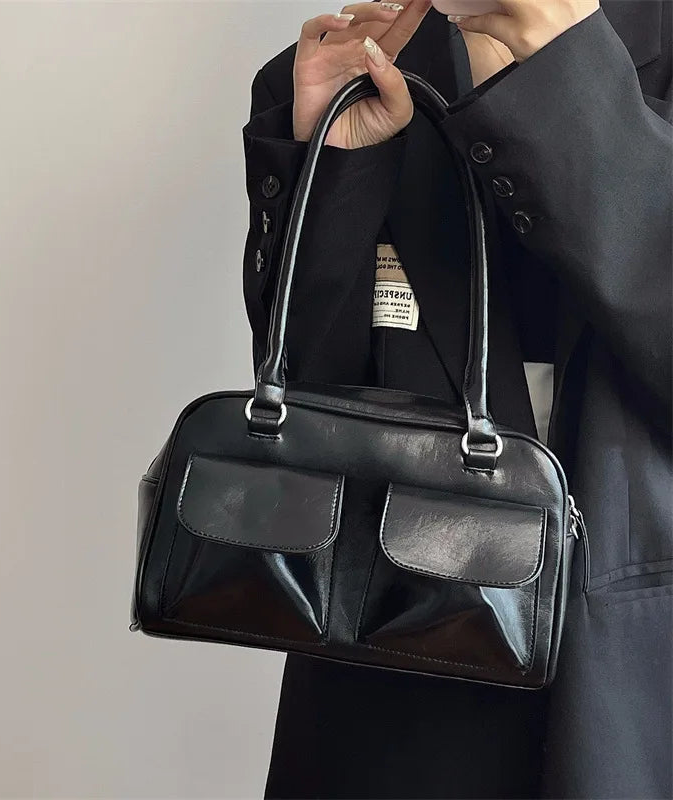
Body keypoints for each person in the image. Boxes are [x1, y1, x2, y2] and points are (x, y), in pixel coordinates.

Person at [240, 1, 672, 797]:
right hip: (395, 681)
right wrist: (336, 172)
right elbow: (299, 410)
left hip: (640, 684)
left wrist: (569, 74)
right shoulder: (347, 69)